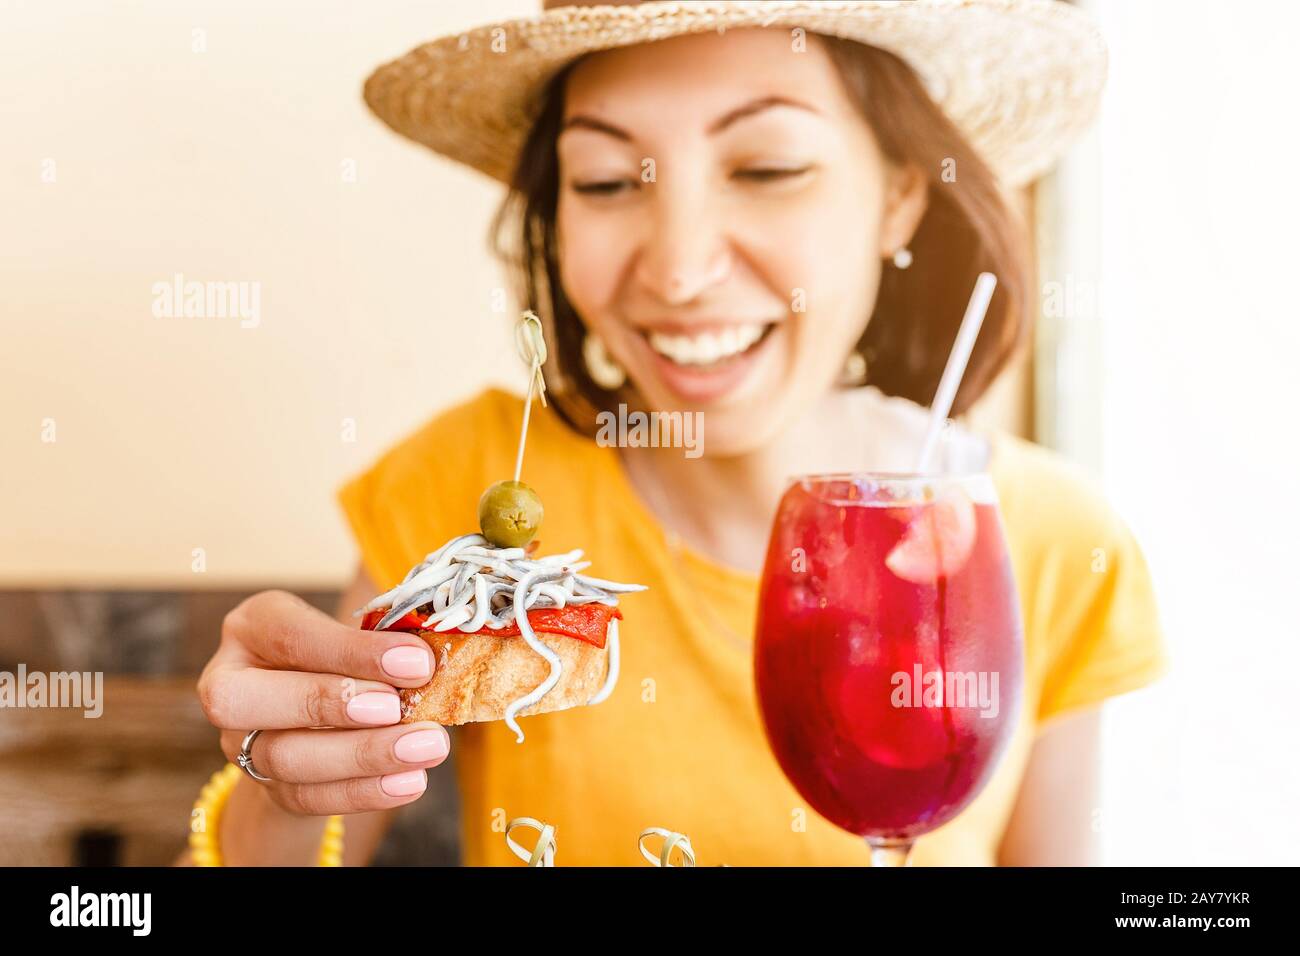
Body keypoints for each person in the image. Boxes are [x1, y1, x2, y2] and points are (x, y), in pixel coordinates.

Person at [189, 0, 1167, 866]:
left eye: (768, 165)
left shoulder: (1042, 539)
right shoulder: (467, 483)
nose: (680, 268)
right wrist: (280, 793)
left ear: (901, 194)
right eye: (610, 182)